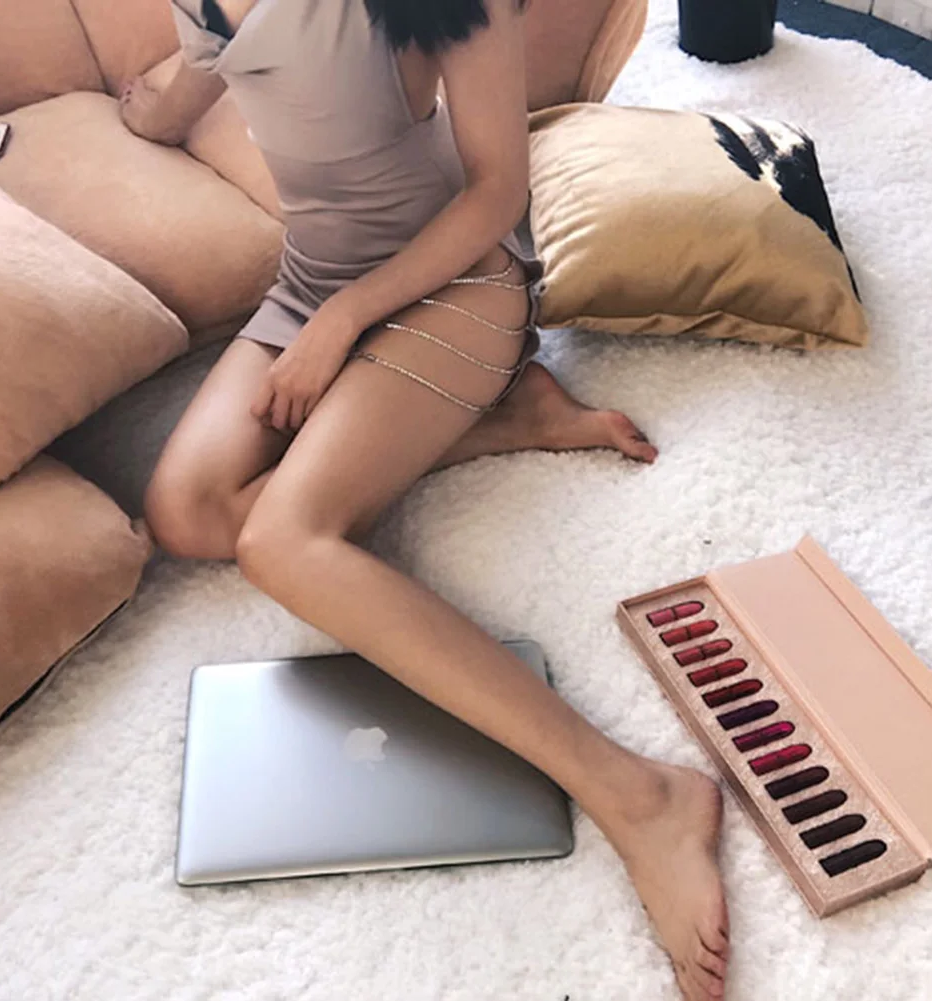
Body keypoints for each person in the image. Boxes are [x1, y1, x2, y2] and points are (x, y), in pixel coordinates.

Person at [120, 3, 728, 999]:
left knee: (281, 541)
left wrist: (344, 322)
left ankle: (641, 794)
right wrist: (146, 109)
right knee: (187, 513)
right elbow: (197, 71)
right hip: (314, 281)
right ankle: (496, 425)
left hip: (456, 284)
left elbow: (496, 193)